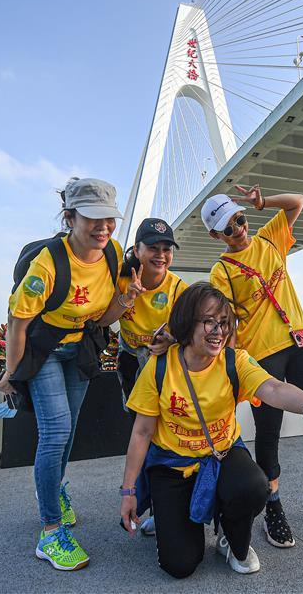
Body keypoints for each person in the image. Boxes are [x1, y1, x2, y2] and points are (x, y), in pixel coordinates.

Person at [118, 281, 303, 578]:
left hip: (221, 454)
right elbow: (142, 433)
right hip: (172, 464)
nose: (218, 331)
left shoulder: (236, 361)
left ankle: (230, 537)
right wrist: (128, 491)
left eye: (224, 322)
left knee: (254, 486)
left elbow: (272, 388)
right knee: (179, 565)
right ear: (187, 322)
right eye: (209, 321)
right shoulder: (159, 367)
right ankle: (170, 514)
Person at [0, 178, 145, 572]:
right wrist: (10, 374)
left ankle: (54, 487)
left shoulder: (112, 253)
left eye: (109, 219)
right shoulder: (47, 264)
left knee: (70, 429)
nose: (104, 228)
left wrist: (127, 299)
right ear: (70, 218)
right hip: (44, 350)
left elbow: (104, 317)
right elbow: (17, 325)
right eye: (93, 218)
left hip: (79, 350)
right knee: (56, 431)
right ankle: (50, 532)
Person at [201, 186, 303, 550]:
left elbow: (298, 202)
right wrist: (230, 368)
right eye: (228, 228)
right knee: (269, 432)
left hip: (301, 341)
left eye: (239, 219)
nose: (238, 229)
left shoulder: (269, 239)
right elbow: (226, 323)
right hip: (261, 353)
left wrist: (261, 203)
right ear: (216, 236)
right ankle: (273, 504)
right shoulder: (222, 271)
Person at [115, 218, 188, 537]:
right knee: (140, 434)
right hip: (131, 364)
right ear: (137, 249)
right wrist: (126, 299)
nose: (161, 255)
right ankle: (141, 500)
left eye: (166, 249)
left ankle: (163, 507)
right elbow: (103, 318)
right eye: (153, 248)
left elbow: (189, 331)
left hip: (163, 369)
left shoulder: (178, 288)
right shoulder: (119, 279)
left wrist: (171, 339)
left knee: (163, 436)